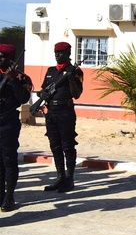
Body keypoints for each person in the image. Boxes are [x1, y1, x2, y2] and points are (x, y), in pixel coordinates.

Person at [40, 41, 83, 193]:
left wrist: (71, 78)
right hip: (51, 112)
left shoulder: (75, 71)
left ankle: (69, 179)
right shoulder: (51, 71)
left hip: (65, 112)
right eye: (56, 52)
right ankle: (60, 177)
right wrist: (42, 94)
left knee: (67, 145)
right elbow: (43, 89)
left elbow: (76, 94)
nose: (58, 55)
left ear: (68, 54)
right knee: (55, 145)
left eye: (61, 53)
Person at [0, 43, 33, 212]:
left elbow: (23, 98)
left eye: (3, 56)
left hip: (8, 125)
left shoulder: (21, 78)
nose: (0, 59)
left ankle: (9, 197)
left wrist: (12, 79)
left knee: (8, 161)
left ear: (11, 59)